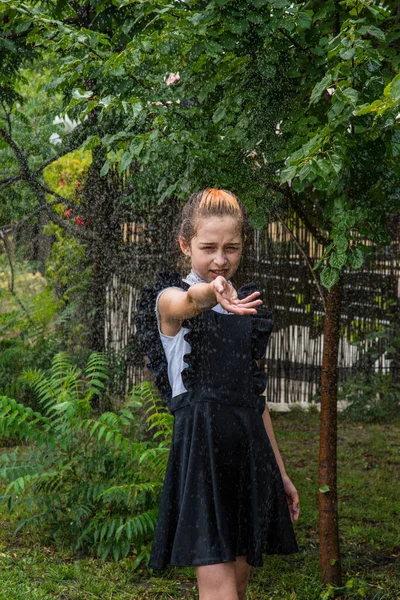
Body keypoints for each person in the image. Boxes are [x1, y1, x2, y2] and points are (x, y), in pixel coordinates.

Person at [136, 188, 299, 600]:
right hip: (201, 457)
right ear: (185, 244)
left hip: (249, 456)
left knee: (238, 589)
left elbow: (255, 400)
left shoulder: (248, 308)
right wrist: (212, 293)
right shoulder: (169, 300)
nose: (220, 259)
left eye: (232, 248)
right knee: (220, 592)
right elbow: (186, 301)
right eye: (208, 247)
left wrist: (278, 471)